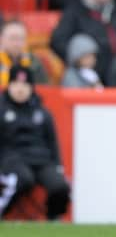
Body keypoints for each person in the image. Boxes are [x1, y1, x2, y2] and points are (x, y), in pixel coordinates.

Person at [0, 65, 70, 220]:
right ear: (9, 85)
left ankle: (53, 219)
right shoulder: (2, 109)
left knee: (61, 186)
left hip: (40, 160)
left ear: (31, 87)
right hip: (11, 159)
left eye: (25, 85)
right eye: (16, 84)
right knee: (23, 178)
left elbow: (52, 142)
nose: (20, 89)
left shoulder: (42, 112)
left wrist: (58, 166)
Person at [0, 20, 49, 88]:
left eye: (21, 38)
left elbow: (44, 89)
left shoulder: (33, 61)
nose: (16, 43)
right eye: (13, 38)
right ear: (1, 39)